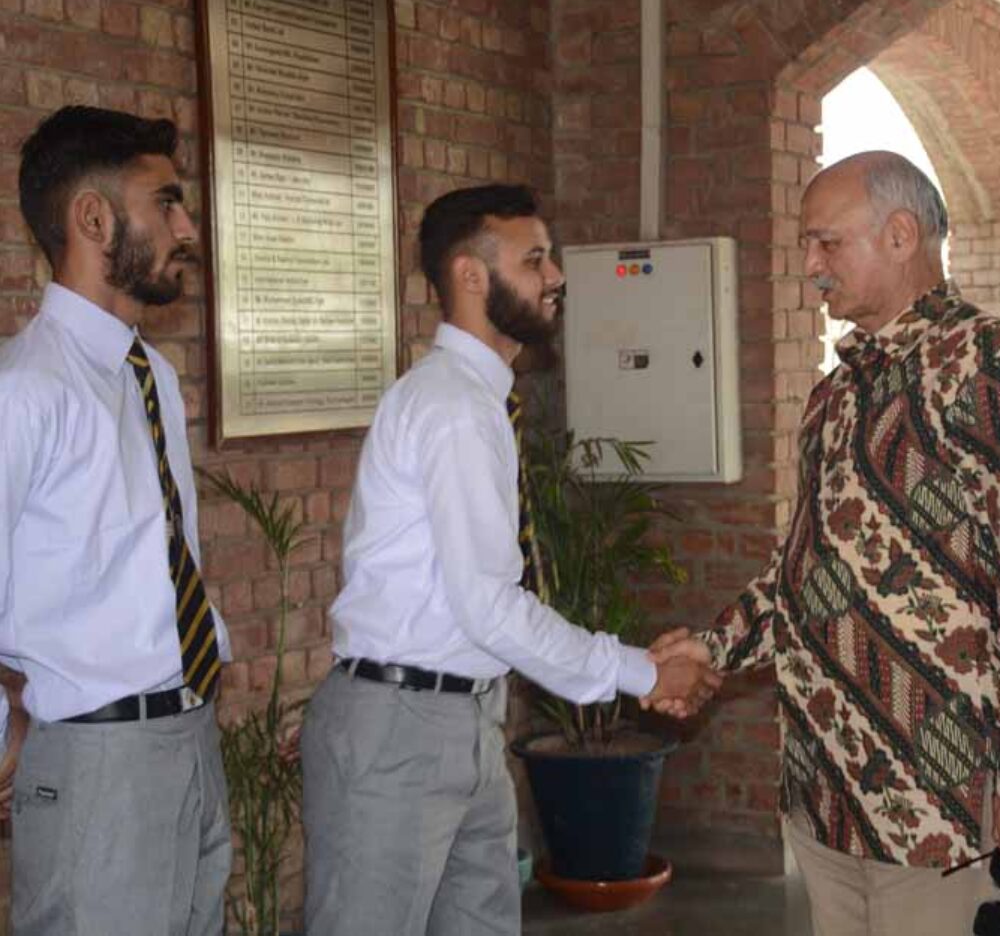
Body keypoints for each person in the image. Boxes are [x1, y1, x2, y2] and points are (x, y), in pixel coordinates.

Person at [301, 184, 720, 936]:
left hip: (461, 717)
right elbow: (489, 605)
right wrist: (644, 672)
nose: (555, 277)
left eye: (548, 260)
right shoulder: (453, 407)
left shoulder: (477, 400)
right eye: (534, 261)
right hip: (399, 731)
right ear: (470, 275)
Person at [653, 151, 1000, 935]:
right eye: (806, 244)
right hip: (825, 792)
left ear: (901, 235)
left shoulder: (980, 364)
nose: (809, 265)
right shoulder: (835, 393)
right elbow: (809, 572)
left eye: (827, 242)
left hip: (935, 804)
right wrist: (711, 648)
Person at [2, 106, 232, 935]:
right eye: (166, 203)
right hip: (97, 762)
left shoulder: (151, 376)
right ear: (93, 219)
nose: (187, 228)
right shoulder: (25, 390)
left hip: (190, 738)